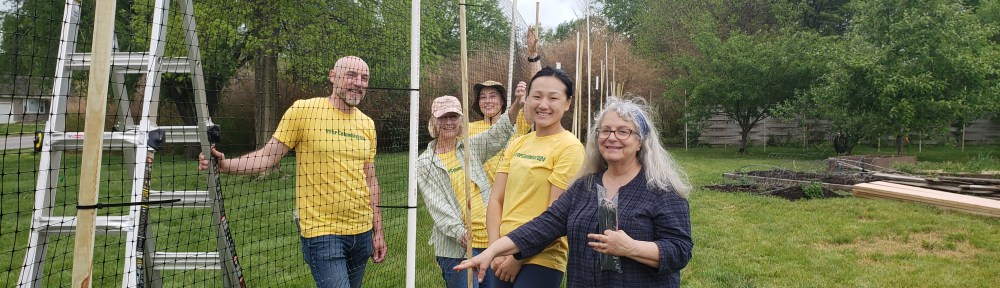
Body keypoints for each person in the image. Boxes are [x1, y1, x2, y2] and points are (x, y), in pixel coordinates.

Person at [455, 96, 694, 288]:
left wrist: (629, 247)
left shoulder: (662, 189)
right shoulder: (584, 187)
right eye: (605, 131)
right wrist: (492, 251)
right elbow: (543, 226)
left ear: (640, 141)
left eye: (623, 131)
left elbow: (680, 250)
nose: (612, 138)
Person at [197, 56, 386, 288]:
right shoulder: (304, 111)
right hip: (322, 233)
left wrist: (378, 231)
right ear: (333, 76)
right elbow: (268, 156)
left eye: (364, 78)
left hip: (362, 233)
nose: (358, 83)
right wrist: (225, 166)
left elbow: (371, 179)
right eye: (351, 75)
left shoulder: (367, 124)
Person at [484, 66, 585, 288]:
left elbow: (555, 215)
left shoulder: (570, 148)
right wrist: (495, 249)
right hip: (502, 252)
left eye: (553, 98)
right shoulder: (518, 142)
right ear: (527, 99)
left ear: (568, 103)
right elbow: (496, 199)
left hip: (541, 257)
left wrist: (517, 257)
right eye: (536, 96)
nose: (543, 104)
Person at [416, 92, 523, 288]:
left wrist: (516, 105)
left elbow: (496, 135)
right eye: (443, 117)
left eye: (454, 117)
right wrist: (462, 235)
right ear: (433, 121)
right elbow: (439, 208)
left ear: (461, 121)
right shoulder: (424, 163)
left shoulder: (469, 148)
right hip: (458, 249)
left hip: (489, 241)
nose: (449, 122)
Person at [470, 27, 543, 183]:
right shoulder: (469, 129)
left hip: (514, 195)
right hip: (484, 200)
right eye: (483, 97)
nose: (487, 101)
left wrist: (533, 55)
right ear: (478, 103)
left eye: (493, 96)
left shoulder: (519, 123)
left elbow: (539, 90)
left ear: (503, 101)